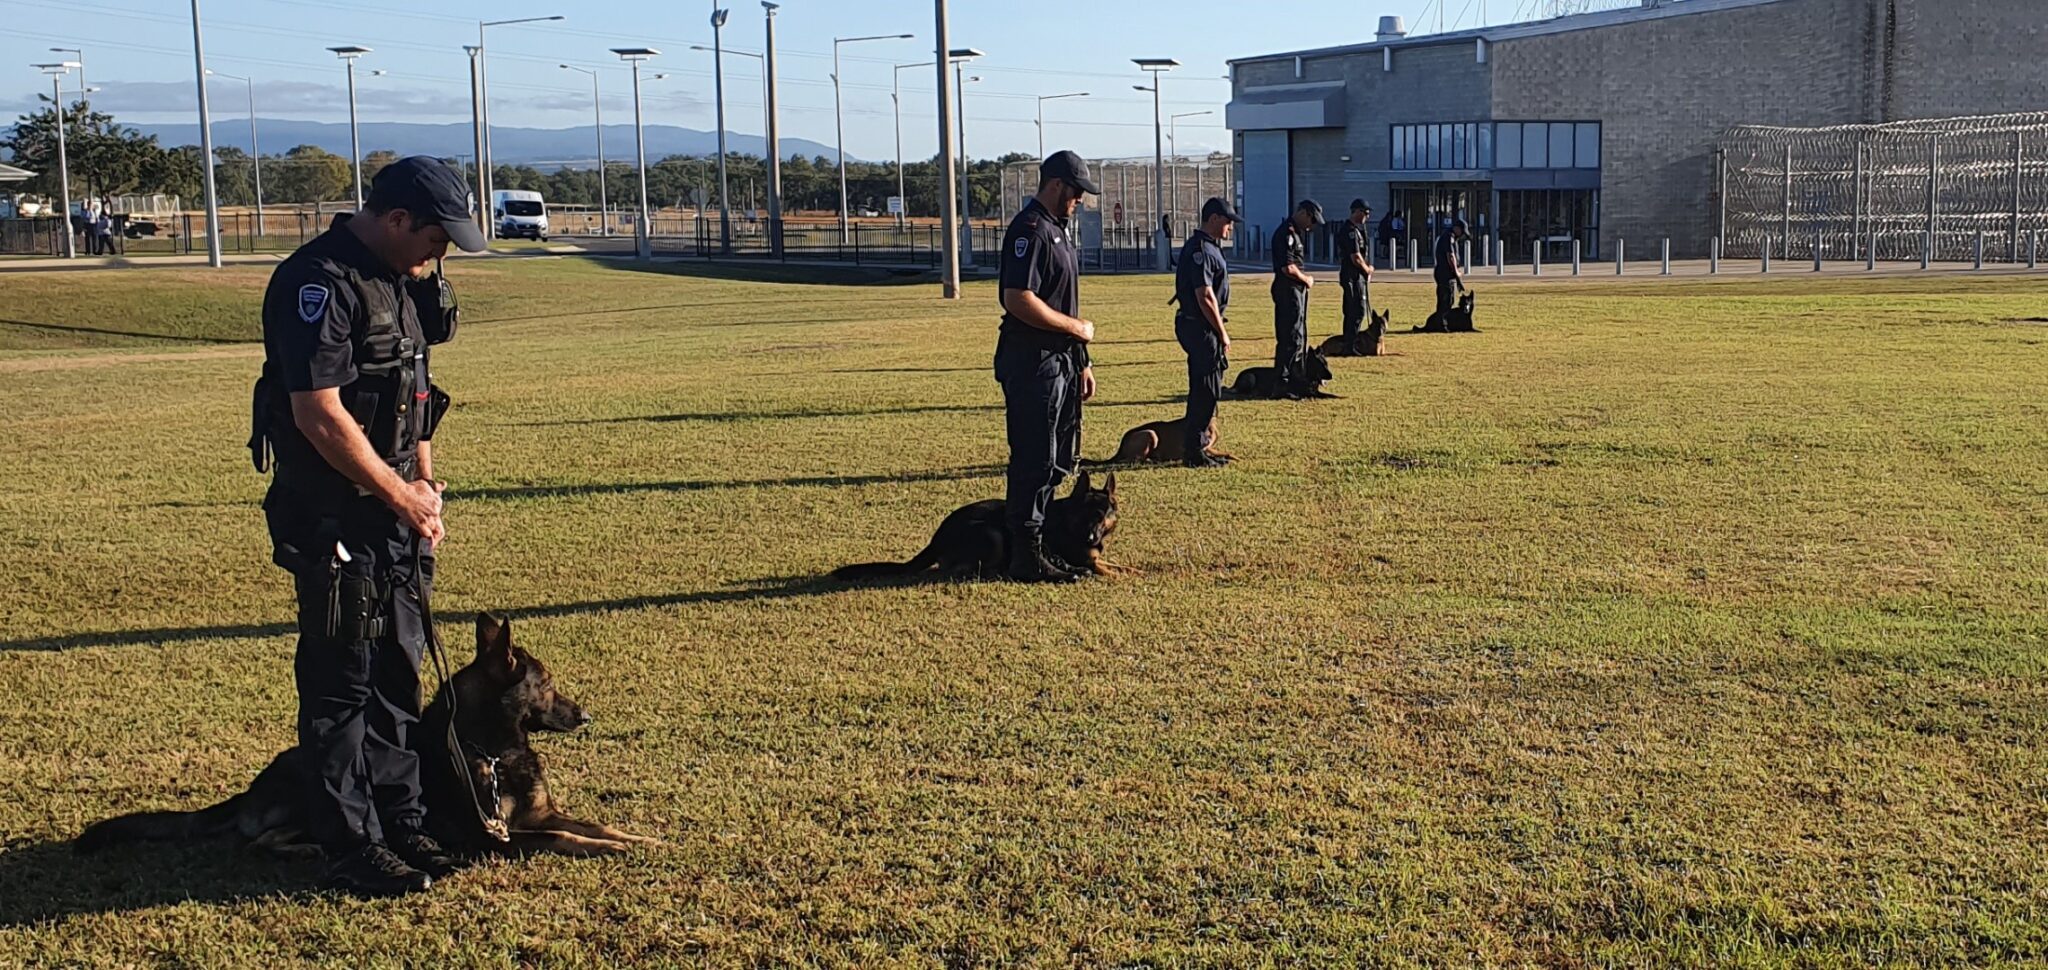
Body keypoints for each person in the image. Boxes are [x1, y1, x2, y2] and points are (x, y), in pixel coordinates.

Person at [248, 156, 483, 897]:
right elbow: (318, 414)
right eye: (436, 240)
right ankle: (351, 844)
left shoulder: (400, 280)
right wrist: (398, 495)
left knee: (396, 673)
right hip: (335, 516)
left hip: (395, 511)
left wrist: (424, 488)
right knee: (342, 684)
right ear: (396, 219)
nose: (438, 257)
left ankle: (403, 821)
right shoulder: (317, 283)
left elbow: (413, 398)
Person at [996, 150, 1099, 583]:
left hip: (1061, 362)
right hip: (1032, 361)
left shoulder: (1057, 230)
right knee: (1034, 459)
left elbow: (1062, 301)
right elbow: (1017, 298)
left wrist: (1082, 361)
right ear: (1056, 184)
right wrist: (1075, 328)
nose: (1079, 200)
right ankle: (1025, 555)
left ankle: (1044, 546)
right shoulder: (1031, 230)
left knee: (1057, 458)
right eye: (1076, 191)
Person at [1173, 197, 1240, 468]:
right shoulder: (1200, 249)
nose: (1230, 227)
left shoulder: (1209, 247)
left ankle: (1199, 444)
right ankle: (1194, 451)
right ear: (1213, 219)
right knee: (1206, 389)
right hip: (1200, 326)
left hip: (1202, 325)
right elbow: (1205, 296)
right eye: (1227, 222)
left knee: (1208, 387)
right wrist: (1222, 332)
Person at [1269, 199, 1321, 397]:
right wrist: (1306, 279)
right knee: (1290, 337)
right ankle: (1283, 383)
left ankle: (1295, 378)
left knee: (1297, 336)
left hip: (1294, 291)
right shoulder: (1287, 233)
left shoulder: (1296, 233)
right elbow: (1288, 267)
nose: (1312, 226)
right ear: (1304, 213)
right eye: (1312, 220)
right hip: (1287, 290)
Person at [1338, 199, 1374, 352]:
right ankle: (1350, 345)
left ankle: (1351, 344)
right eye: (1365, 213)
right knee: (1356, 310)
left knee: (1356, 310)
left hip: (1356, 276)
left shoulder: (1358, 230)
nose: (1367, 216)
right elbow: (1356, 257)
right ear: (1357, 211)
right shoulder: (1350, 231)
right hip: (1352, 276)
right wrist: (1367, 269)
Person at [1433, 217, 1469, 329]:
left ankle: (1441, 323)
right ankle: (1441, 324)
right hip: (1444, 273)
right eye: (1462, 232)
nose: (1462, 235)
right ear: (1457, 228)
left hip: (1446, 273)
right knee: (1446, 300)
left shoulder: (1451, 237)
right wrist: (1456, 272)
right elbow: (1450, 256)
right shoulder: (1449, 237)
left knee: (1448, 299)